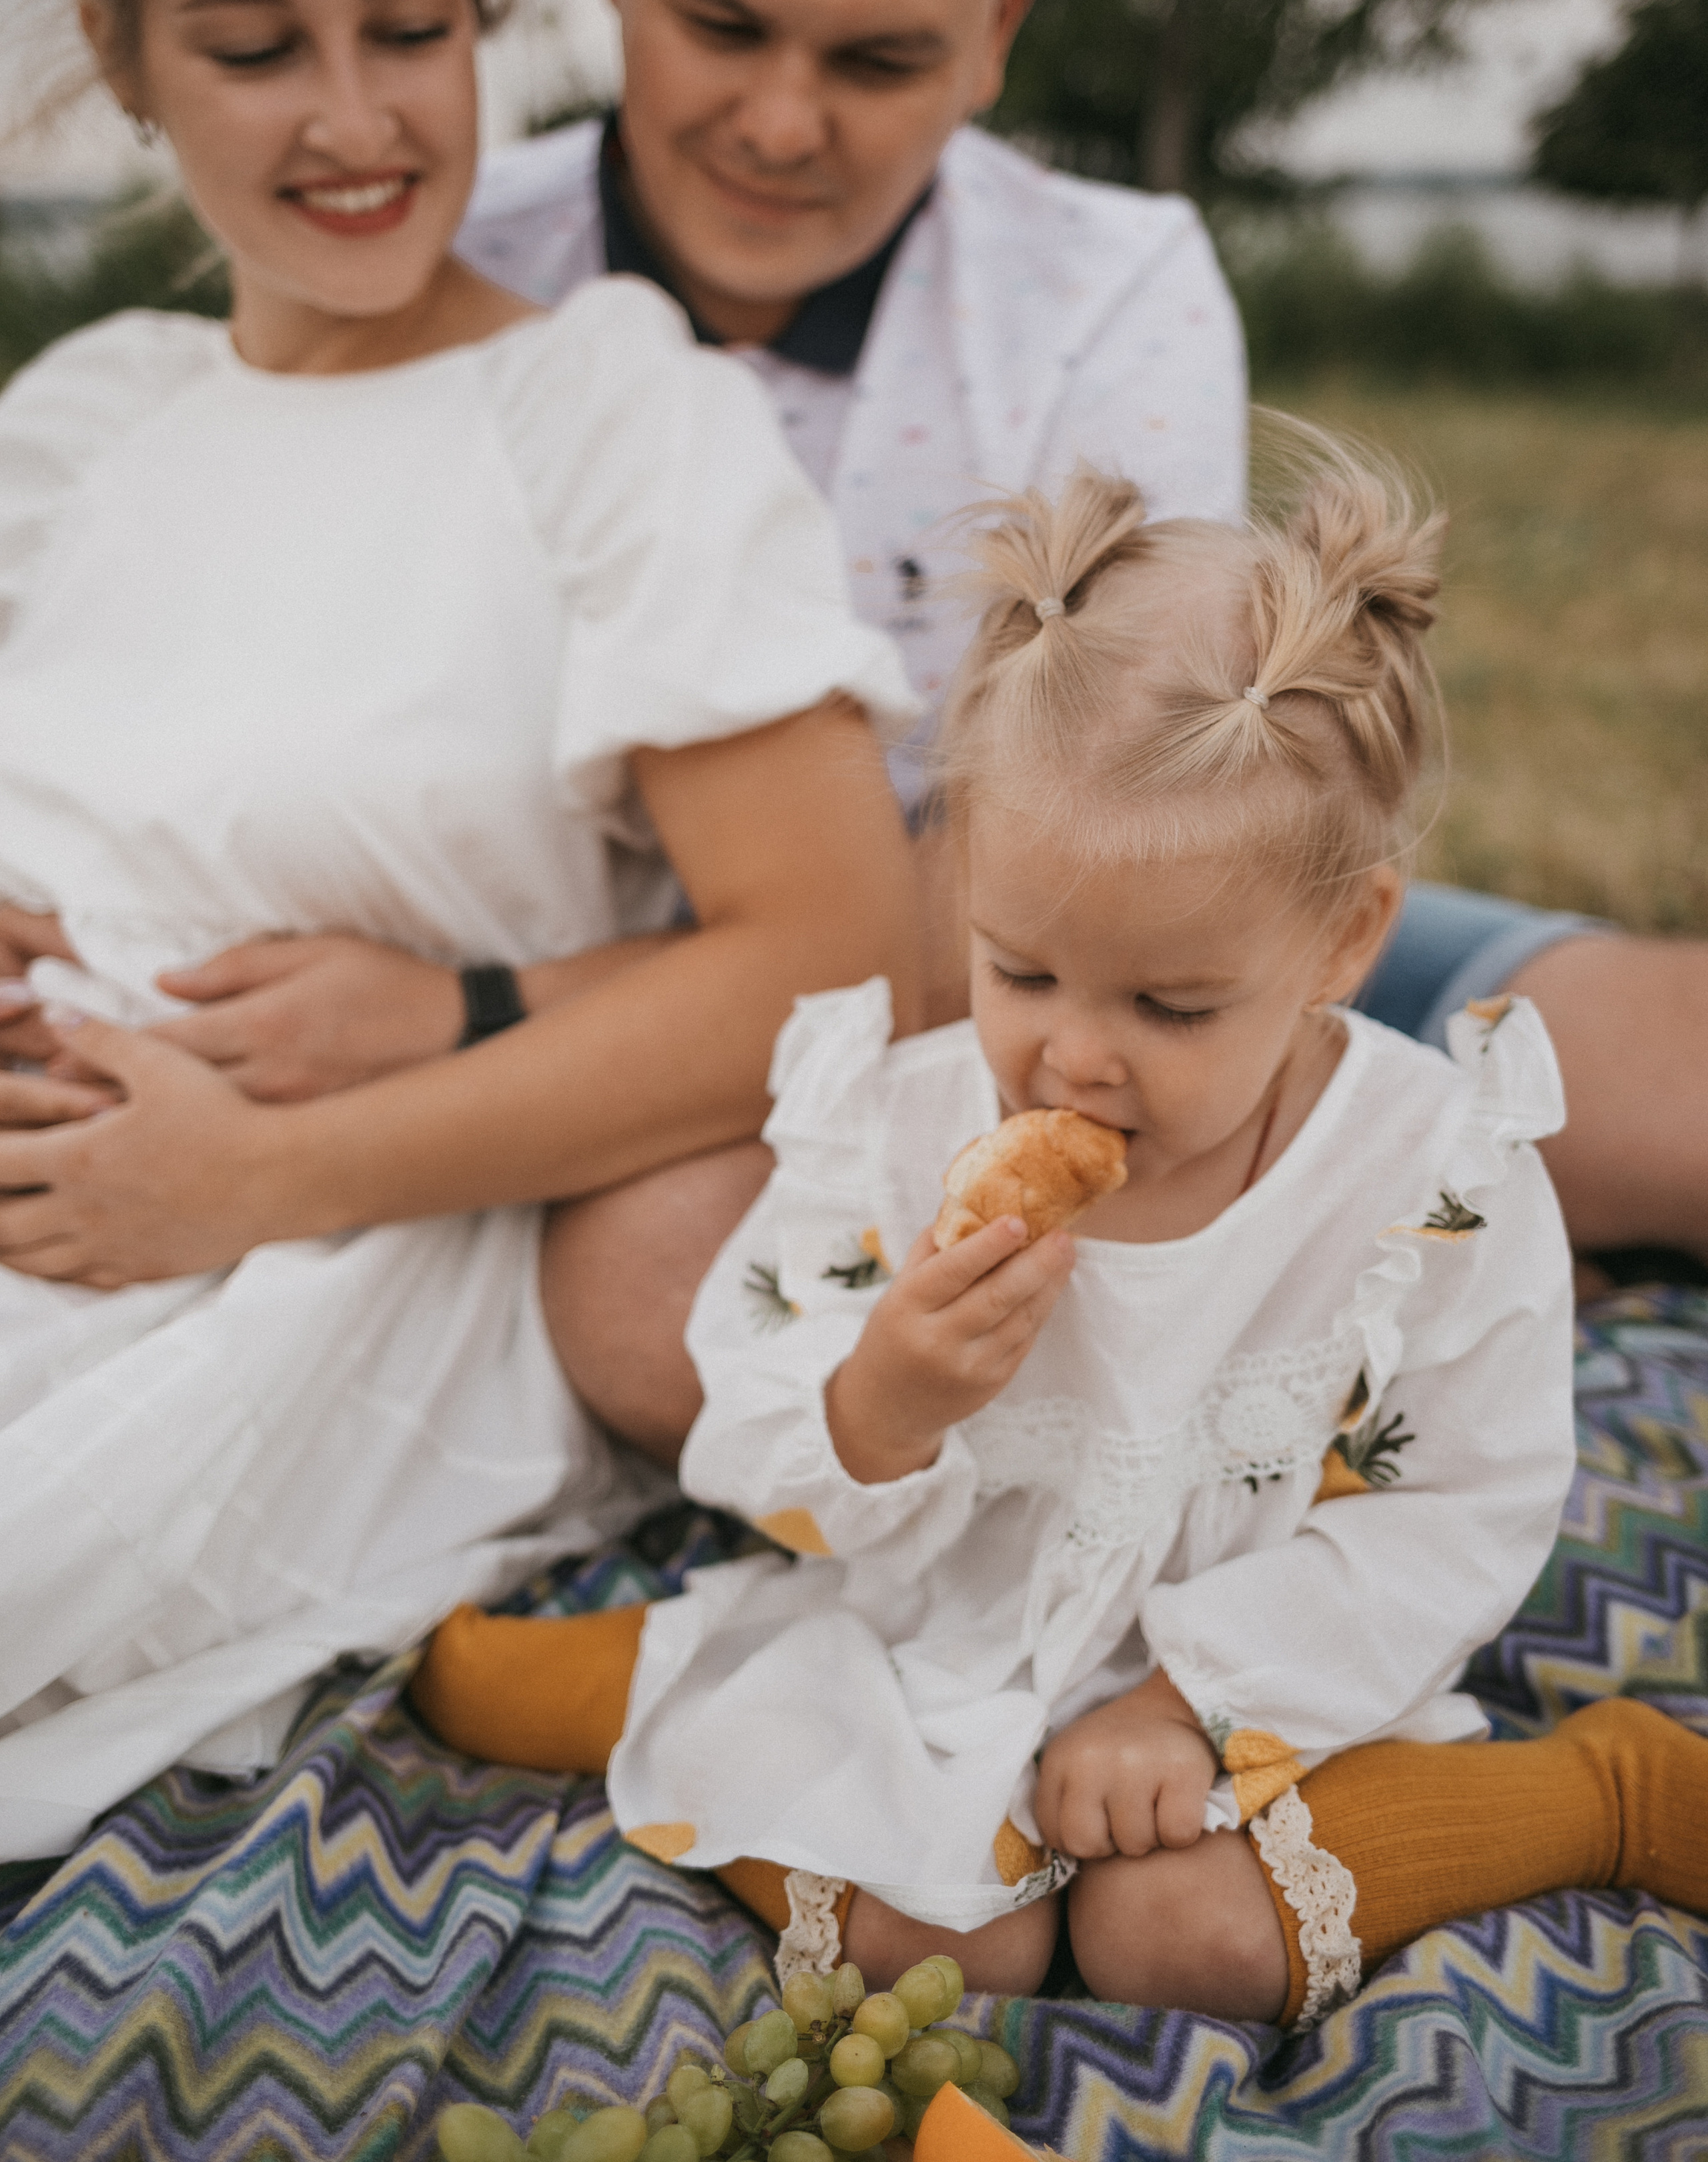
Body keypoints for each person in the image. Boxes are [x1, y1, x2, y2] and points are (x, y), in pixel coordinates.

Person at [1, 0, 1703, 1427]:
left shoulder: (1103, 291)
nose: (778, 120)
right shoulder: (424, 243)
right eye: (719, 22)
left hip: (1100, 943)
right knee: (649, 1296)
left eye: (878, 58)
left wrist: (479, 1004)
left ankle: (1411, 1263)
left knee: (1656, 1092)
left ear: (998, 27)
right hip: (710, 1044)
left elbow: (1107, 825)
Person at [0, 0, 921, 1860]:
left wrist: (263, 1177)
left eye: (411, 30)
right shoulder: (85, 421)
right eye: (255, 49)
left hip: (345, 1263)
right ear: (122, 53)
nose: (358, 120)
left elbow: (838, 955)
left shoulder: (603, 410)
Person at [410, 453, 1708, 2024]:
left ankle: (1602, 1794)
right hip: (944, 1642)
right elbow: (753, 1380)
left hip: (1275, 1668)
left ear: (1344, 938)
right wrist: (878, 1398)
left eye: (1170, 1006)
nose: (1073, 1059)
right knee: (940, 1953)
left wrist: (1184, 1705)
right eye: (1019, 972)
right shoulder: (897, 1132)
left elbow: (1458, 1508)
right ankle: (663, 1682)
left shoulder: (1430, 1181)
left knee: (1183, 1945)